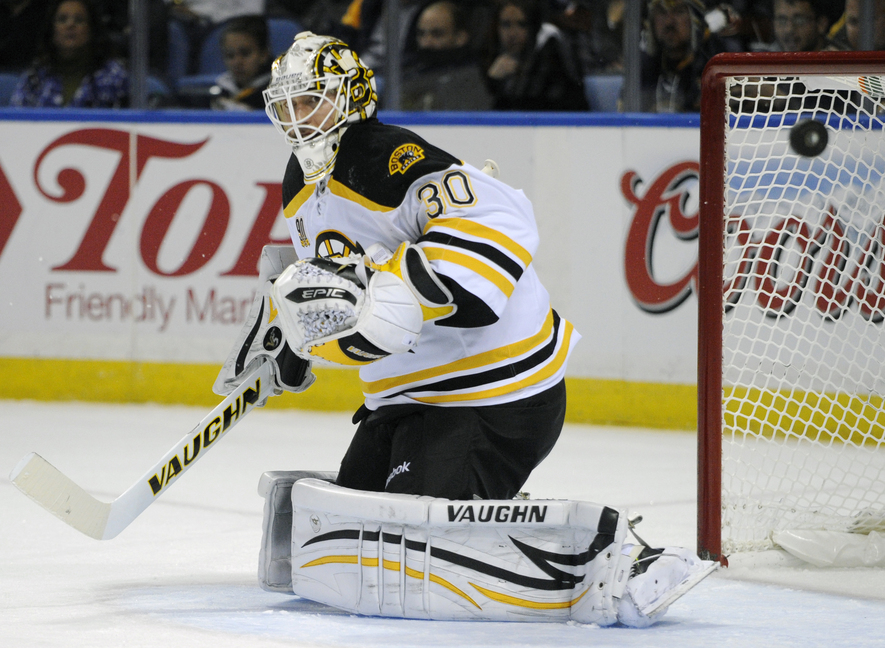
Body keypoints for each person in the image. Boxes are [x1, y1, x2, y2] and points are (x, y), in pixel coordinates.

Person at [214, 32, 717, 625]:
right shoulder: (300, 179)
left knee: (413, 547)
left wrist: (406, 288)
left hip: (492, 395)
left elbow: (499, 216)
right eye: (288, 106)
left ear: (351, 98)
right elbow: (340, 275)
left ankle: (622, 557)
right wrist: (292, 336)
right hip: (407, 399)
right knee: (358, 529)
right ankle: (484, 511)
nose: (298, 120)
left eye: (312, 101)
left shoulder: (385, 157)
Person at [9, 0, 128, 108]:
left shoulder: (113, 77)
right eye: (62, 19)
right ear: (52, 30)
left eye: (79, 20)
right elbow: (15, 121)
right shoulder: (35, 77)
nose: (70, 25)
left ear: (92, 29)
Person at [483, 0, 589, 111]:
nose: (512, 33)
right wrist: (492, 81)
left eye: (521, 24)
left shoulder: (551, 59)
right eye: (506, 24)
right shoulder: (486, 59)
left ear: (533, 27)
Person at [399, 0, 493, 110]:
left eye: (437, 34)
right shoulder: (408, 71)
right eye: (421, 34)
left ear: (460, 38)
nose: (426, 42)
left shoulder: (469, 80)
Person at [638, 0, 727, 113]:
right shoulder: (643, 67)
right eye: (661, 12)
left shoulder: (718, 61)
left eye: (679, 12)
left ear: (695, 20)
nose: (669, 22)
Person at [209, 14, 273, 110]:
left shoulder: (279, 96)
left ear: (264, 55)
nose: (237, 62)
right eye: (230, 55)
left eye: (245, 53)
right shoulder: (219, 91)